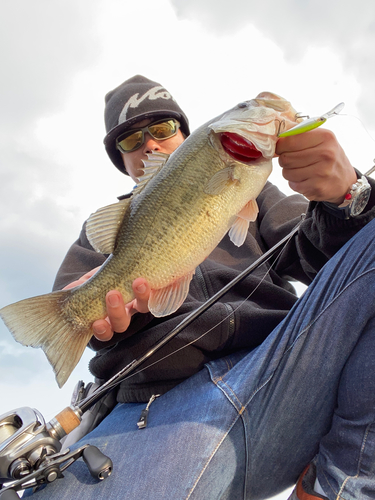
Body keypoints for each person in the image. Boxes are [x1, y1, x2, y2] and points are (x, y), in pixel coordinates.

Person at [25, 75, 375, 499]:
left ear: (187, 135)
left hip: (274, 373)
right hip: (150, 408)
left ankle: (340, 484)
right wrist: (106, 317)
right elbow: (90, 322)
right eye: (130, 140)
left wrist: (347, 198)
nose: (149, 146)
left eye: (161, 129)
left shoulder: (256, 189)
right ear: (121, 159)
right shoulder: (107, 230)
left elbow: (313, 258)